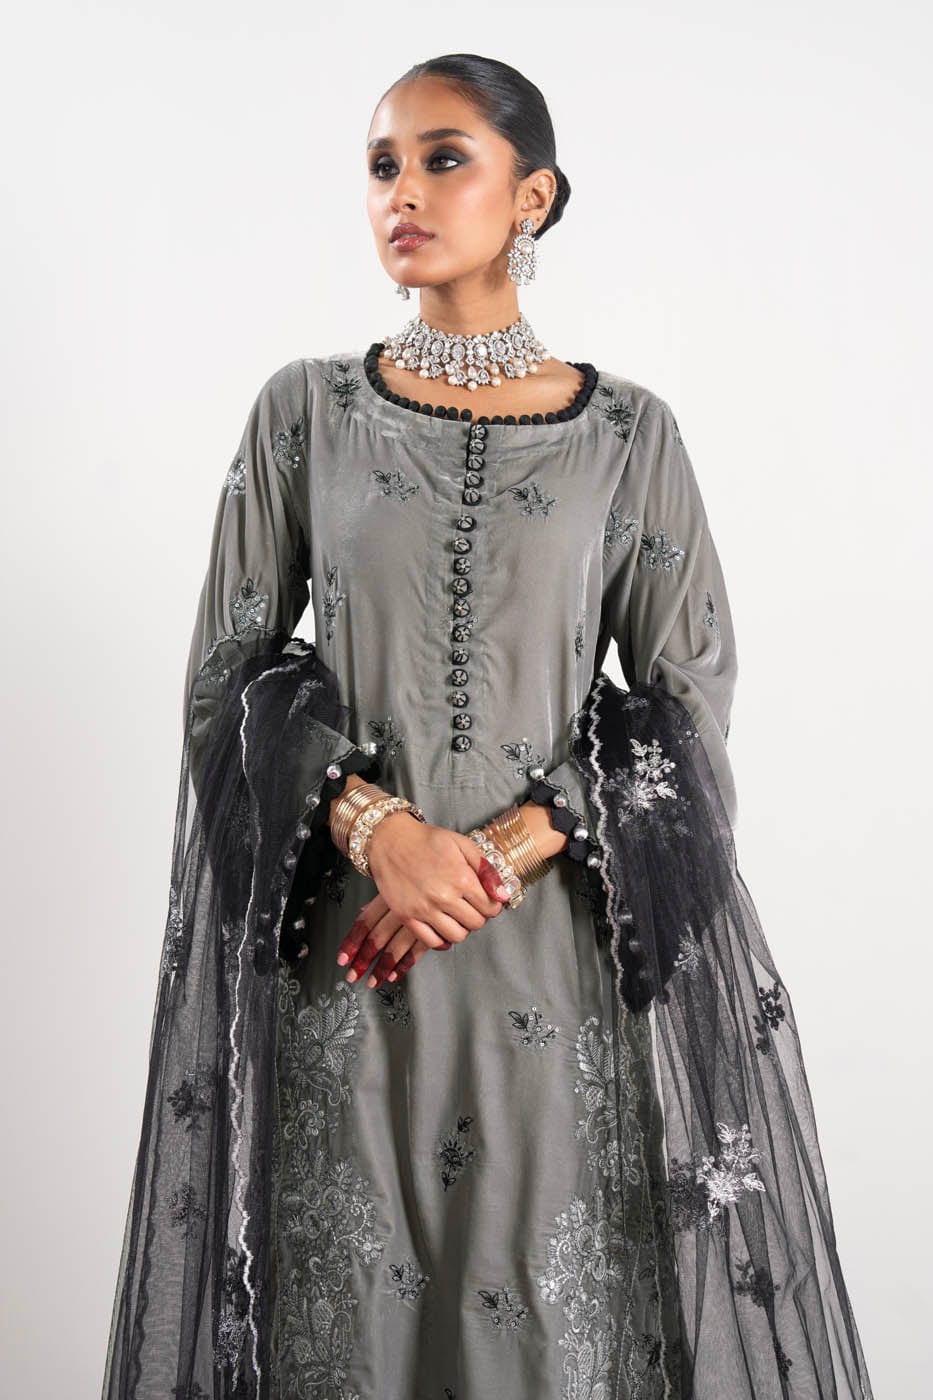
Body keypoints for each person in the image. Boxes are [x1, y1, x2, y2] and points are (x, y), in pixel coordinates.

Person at [102, 53, 875, 1400]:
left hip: (551, 963)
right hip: (350, 956)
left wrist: (501, 853)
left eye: (442, 157)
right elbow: (226, 681)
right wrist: (380, 834)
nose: (400, 191)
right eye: (381, 165)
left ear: (534, 195)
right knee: (350, 1330)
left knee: (549, 1336)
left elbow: (686, 707)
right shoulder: (305, 414)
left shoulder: (628, 435)